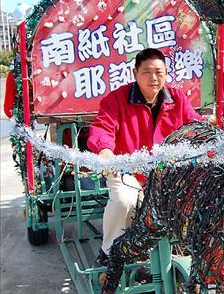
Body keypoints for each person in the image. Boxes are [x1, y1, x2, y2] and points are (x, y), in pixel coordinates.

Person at [87, 47, 204, 267]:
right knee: (125, 202)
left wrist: (214, 139)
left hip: (166, 173)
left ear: (166, 74)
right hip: (126, 170)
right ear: (135, 74)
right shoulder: (117, 99)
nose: (153, 78)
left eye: (159, 72)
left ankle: (184, 249)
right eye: (147, 72)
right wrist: (105, 151)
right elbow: (102, 126)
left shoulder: (176, 99)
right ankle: (108, 253)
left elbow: (195, 126)